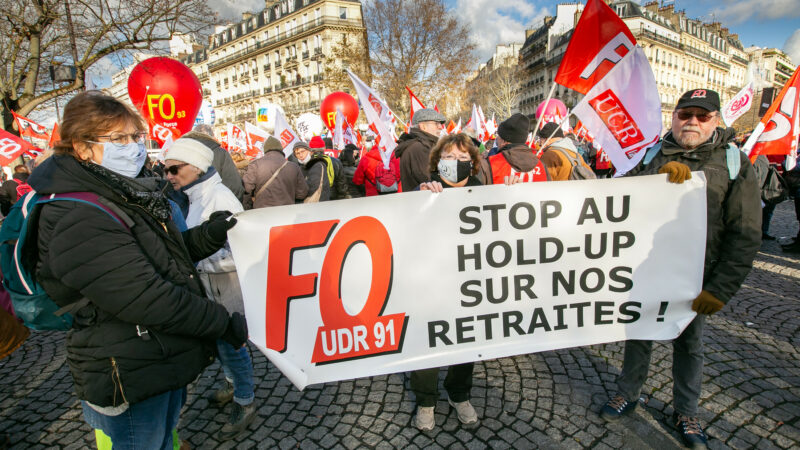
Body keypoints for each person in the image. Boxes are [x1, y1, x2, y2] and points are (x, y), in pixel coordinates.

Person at [26, 91, 246, 449]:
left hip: (153, 355)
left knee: (163, 439)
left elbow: (160, 256)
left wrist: (207, 235)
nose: (133, 148)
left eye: (135, 137)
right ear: (82, 147)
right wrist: (220, 323)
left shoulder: (119, 192)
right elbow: (145, 296)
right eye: (118, 139)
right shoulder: (77, 214)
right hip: (126, 366)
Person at [599, 89, 761, 449]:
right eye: (685, 114)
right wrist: (654, 181)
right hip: (646, 270)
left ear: (716, 120)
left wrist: (720, 288)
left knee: (690, 343)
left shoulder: (734, 162)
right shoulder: (651, 152)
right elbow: (617, 198)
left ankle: (686, 411)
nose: (692, 122)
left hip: (697, 276)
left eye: (702, 116)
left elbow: (746, 231)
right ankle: (628, 392)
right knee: (638, 332)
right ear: (673, 117)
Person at [162, 137, 255, 440]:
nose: (168, 176)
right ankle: (232, 383)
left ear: (197, 167)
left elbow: (239, 251)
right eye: (165, 169)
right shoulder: (190, 196)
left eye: (174, 169)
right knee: (219, 342)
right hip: (208, 285)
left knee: (232, 344)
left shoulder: (220, 197)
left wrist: (199, 260)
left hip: (224, 286)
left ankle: (245, 400)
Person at [412, 133, 484, 431]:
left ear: (473, 163)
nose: (456, 162)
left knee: (466, 340)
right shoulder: (423, 190)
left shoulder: (484, 192)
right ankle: (426, 401)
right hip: (431, 283)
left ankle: (459, 394)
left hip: (469, 283)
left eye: (463, 158)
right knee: (427, 342)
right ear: (437, 161)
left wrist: (511, 194)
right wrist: (420, 198)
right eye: (449, 157)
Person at [242, 136, 308, 209]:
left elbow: (246, 189)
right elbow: (302, 193)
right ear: (280, 149)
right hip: (286, 211)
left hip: (262, 211)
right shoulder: (294, 166)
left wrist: (248, 207)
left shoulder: (255, 164)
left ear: (265, 150)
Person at [185, 124, 246, 202]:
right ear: (212, 136)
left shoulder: (185, 154)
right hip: (220, 203)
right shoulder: (221, 153)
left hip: (195, 204)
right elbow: (235, 185)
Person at [486, 113, 549, 184]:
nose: (497, 139)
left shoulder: (489, 164)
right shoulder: (542, 166)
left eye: (499, 136)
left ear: (504, 141)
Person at [396, 108, 445, 191]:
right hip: (426, 197)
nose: (440, 127)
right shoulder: (420, 148)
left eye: (440, 123)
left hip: (421, 197)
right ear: (423, 126)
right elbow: (430, 181)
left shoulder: (418, 145)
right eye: (436, 123)